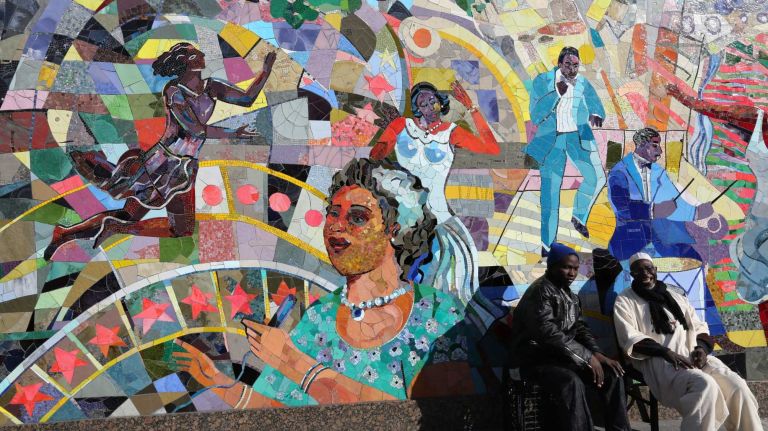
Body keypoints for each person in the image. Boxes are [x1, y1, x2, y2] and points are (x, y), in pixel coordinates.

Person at [173, 158, 479, 407]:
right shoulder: (320, 316)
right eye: (333, 213)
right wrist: (218, 382)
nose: (337, 226)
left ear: (395, 230)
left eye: (357, 217)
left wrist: (291, 360)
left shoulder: (435, 312)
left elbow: (431, 416)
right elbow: (288, 415)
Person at [43, 43, 277, 260]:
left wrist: (265, 72)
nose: (203, 56)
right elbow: (194, 129)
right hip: (167, 165)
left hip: (179, 163)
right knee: (181, 229)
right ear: (185, 62)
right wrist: (233, 134)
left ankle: (65, 233)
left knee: (129, 215)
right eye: (196, 54)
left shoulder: (212, 87)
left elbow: (246, 99)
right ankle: (116, 228)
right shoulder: (174, 91)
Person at [370, 80, 500, 329]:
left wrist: (471, 108)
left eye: (433, 100)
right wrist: (386, 137)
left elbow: (491, 149)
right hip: (403, 215)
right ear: (416, 108)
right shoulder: (402, 126)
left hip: (439, 218)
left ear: (441, 102)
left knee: (447, 282)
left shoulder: (451, 132)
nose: (429, 105)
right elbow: (376, 156)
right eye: (422, 102)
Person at [613, 252, 762, 431]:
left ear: (656, 270)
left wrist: (701, 350)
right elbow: (630, 337)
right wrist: (666, 353)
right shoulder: (625, 300)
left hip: (692, 355)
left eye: (648, 268)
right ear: (632, 275)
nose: (645, 273)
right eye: (638, 270)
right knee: (705, 386)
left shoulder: (676, 297)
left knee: (737, 386)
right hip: (661, 361)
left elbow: (699, 326)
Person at [507, 242, 630, 431]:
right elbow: (547, 332)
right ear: (552, 266)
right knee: (571, 382)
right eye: (566, 267)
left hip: (562, 358)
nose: (571, 273)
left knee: (612, 375)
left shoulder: (570, 297)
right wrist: (587, 357)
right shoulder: (540, 291)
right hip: (533, 360)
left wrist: (596, 354)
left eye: (575, 268)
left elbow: (580, 328)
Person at [525, 46, 606, 256]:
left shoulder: (582, 82)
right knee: (550, 196)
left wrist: (597, 113)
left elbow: (594, 101)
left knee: (596, 177)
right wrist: (555, 95)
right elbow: (535, 116)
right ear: (560, 64)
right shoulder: (542, 82)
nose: (572, 69)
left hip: (577, 137)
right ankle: (547, 245)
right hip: (552, 140)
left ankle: (579, 215)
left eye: (576, 65)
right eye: (568, 64)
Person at [607, 127, 718, 263]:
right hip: (631, 239)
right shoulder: (619, 172)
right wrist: (654, 210)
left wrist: (696, 213)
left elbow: (674, 200)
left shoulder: (658, 170)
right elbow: (623, 209)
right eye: (654, 145)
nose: (659, 151)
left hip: (660, 238)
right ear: (641, 144)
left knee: (694, 259)